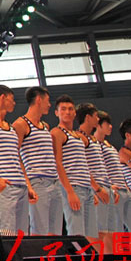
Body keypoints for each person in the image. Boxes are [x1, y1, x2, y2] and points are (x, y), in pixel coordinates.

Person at [0, 85, 37, 236]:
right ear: (3, 97)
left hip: (21, 186)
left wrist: (28, 185)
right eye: (12, 99)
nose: (14, 103)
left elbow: (17, 157)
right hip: (5, 186)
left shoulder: (10, 128)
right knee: (7, 233)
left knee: (22, 235)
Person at [12, 86, 62, 235]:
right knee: (40, 230)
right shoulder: (20, 124)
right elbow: (15, 155)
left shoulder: (45, 126)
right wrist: (28, 184)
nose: (49, 105)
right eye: (48, 101)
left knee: (55, 232)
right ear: (39, 99)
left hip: (54, 182)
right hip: (38, 181)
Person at [50, 95, 97, 238]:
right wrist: (69, 192)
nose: (67, 112)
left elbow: (83, 163)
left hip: (86, 188)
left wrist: (93, 188)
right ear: (57, 113)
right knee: (77, 233)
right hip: (73, 186)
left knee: (91, 235)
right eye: (63, 109)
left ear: (75, 113)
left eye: (70, 109)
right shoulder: (57, 133)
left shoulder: (78, 136)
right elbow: (58, 163)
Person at [94, 111, 131, 234]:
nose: (110, 126)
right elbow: (98, 169)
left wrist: (125, 185)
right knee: (117, 231)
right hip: (113, 191)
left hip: (124, 189)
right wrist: (109, 186)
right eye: (107, 124)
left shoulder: (109, 146)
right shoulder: (94, 145)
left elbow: (116, 168)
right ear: (98, 125)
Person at [76, 103, 111, 244]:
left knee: (107, 232)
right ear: (87, 117)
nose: (98, 119)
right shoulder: (80, 138)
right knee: (95, 233)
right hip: (95, 189)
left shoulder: (93, 139)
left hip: (104, 187)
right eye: (96, 116)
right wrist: (95, 188)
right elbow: (81, 166)